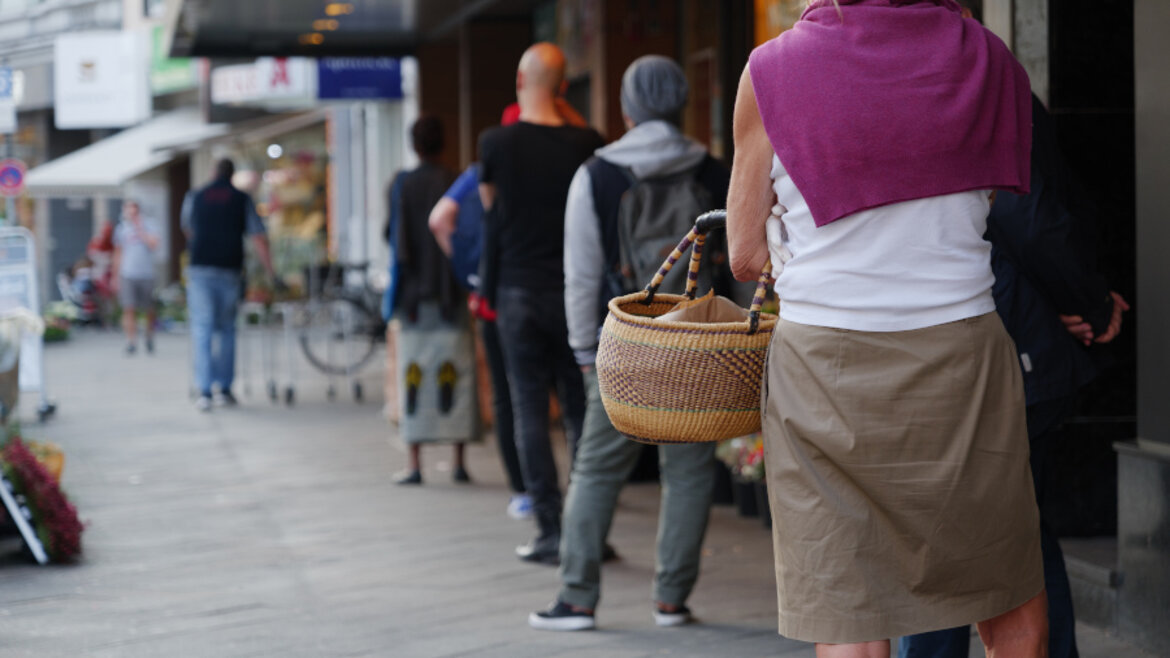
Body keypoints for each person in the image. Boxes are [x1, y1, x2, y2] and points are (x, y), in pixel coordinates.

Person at [727, 1, 1048, 655]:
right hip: (964, 356)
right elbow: (1005, 201)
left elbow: (743, 253)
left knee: (850, 614)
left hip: (824, 368)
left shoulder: (772, 70)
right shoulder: (987, 56)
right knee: (1004, 591)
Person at [898, 8, 1130, 658]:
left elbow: (1029, 222)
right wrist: (1086, 302)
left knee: (969, 533)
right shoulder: (990, 89)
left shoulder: (943, 98)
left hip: (989, 346)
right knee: (1012, 527)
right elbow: (1038, 222)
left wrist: (1084, 302)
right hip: (1008, 341)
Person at [527, 55, 731, 632]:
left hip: (625, 343)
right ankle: (671, 598)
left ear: (627, 107)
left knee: (595, 469)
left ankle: (577, 597)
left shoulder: (598, 174)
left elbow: (582, 273)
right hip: (697, 343)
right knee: (688, 471)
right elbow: (739, 261)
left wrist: (584, 352)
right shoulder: (712, 170)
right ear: (682, 103)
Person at [478, 42, 605, 565]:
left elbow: (492, 217)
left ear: (517, 80)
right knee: (580, 412)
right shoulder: (585, 142)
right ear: (562, 87)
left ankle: (551, 531)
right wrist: (562, 105)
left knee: (529, 408)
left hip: (516, 292)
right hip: (575, 293)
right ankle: (586, 528)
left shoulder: (495, 143)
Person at [386, 116, 477, 486]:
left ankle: (415, 464)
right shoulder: (455, 182)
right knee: (455, 370)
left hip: (413, 298)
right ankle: (459, 462)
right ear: (443, 143)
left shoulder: (401, 184)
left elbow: (392, 238)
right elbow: (468, 236)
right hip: (452, 294)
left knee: (413, 374)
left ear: (413, 145)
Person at [182, 158, 277, 413]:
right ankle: (223, 389)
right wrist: (271, 272)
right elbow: (258, 236)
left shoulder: (196, 196)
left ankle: (204, 391)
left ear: (214, 173)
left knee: (202, 329)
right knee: (226, 330)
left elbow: (188, 229)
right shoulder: (240, 199)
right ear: (233, 175)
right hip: (229, 270)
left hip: (200, 268)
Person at [112, 200, 161, 355]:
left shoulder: (150, 225)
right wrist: (115, 275)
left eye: (133, 211)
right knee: (128, 308)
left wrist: (139, 228)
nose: (130, 215)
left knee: (149, 309)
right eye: (127, 211)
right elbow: (118, 252)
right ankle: (131, 341)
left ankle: (149, 336)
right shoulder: (121, 229)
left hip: (146, 273)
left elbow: (154, 245)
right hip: (127, 274)